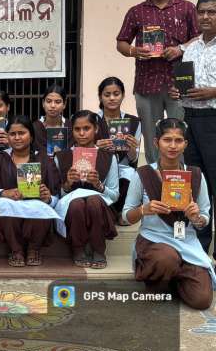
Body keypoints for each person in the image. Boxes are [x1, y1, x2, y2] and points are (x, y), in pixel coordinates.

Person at [122, 118, 214, 310]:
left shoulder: (196, 174)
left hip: (187, 243)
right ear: (156, 142)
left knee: (201, 300)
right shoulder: (143, 174)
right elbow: (126, 215)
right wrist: (144, 210)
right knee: (166, 258)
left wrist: (196, 217)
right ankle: (160, 281)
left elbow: (205, 216)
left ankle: (175, 278)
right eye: (167, 140)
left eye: (178, 140)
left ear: (185, 144)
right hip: (154, 241)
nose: (173, 146)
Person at [116, 0, 198, 163]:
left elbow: (199, 38)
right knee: (151, 134)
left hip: (179, 84)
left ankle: (179, 176)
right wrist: (134, 51)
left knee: (179, 133)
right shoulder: (136, 11)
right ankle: (153, 174)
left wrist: (180, 48)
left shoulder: (187, 8)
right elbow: (121, 43)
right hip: (146, 83)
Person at [169, 0, 216, 259]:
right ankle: (198, 249)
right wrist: (178, 91)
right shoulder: (192, 48)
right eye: (202, 12)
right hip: (191, 120)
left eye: (212, 12)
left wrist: (213, 92)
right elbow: (185, 82)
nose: (205, 16)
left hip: (214, 120)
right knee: (196, 184)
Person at [0, 115, 59, 267]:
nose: (17, 137)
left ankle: (34, 249)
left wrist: (48, 198)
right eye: (13, 134)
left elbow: (56, 195)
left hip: (36, 207)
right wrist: (3, 193)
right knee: (5, 204)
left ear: (31, 137)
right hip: (10, 208)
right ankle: (16, 249)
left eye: (22, 133)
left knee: (40, 206)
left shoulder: (44, 159)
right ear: (8, 137)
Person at [54, 110, 119, 268]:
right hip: (71, 207)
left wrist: (99, 185)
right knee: (77, 203)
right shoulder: (61, 157)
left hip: (99, 206)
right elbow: (55, 195)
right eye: (77, 129)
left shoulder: (108, 157)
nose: (82, 133)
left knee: (93, 201)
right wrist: (67, 184)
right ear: (72, 131)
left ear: (96, 129)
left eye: (87, 128)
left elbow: (115, 195)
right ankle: (78, 248)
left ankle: (98, 249)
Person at [95, 77, 141, 221]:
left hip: (122, 167)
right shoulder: (92, 119)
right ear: (100, 97)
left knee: (130, 176)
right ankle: (108, 214)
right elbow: (81, 149)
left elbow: (133, 160)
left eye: (116, 94)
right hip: (99, 167)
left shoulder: (134, 121)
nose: (112, 98)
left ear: (123, 95)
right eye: (107, 95)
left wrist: (131, 148)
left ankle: (118, 212)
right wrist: (96, 147)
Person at [33, 84, 69, 154]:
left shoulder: (70, 127)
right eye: (49, 101)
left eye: (57, 102)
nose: (53, 106)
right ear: (43, 103)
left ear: (64, 104)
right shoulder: (34, 128)